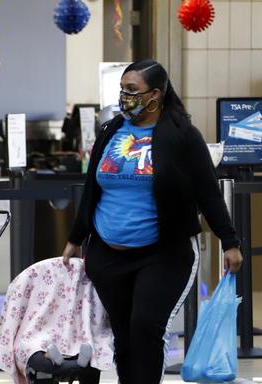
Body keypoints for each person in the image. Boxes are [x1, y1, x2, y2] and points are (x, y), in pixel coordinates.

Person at [62, 59, 244, 382]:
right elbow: (92, 188)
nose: (124, 97)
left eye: (132, 91)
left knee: (145, 326)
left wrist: (229, 241)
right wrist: (76, 238)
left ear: (154, 95)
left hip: (163, 254)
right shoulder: (111, 131)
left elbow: (208, 192)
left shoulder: (183, 136)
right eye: (122, 90)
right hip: (108, 254)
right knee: (123, 334)